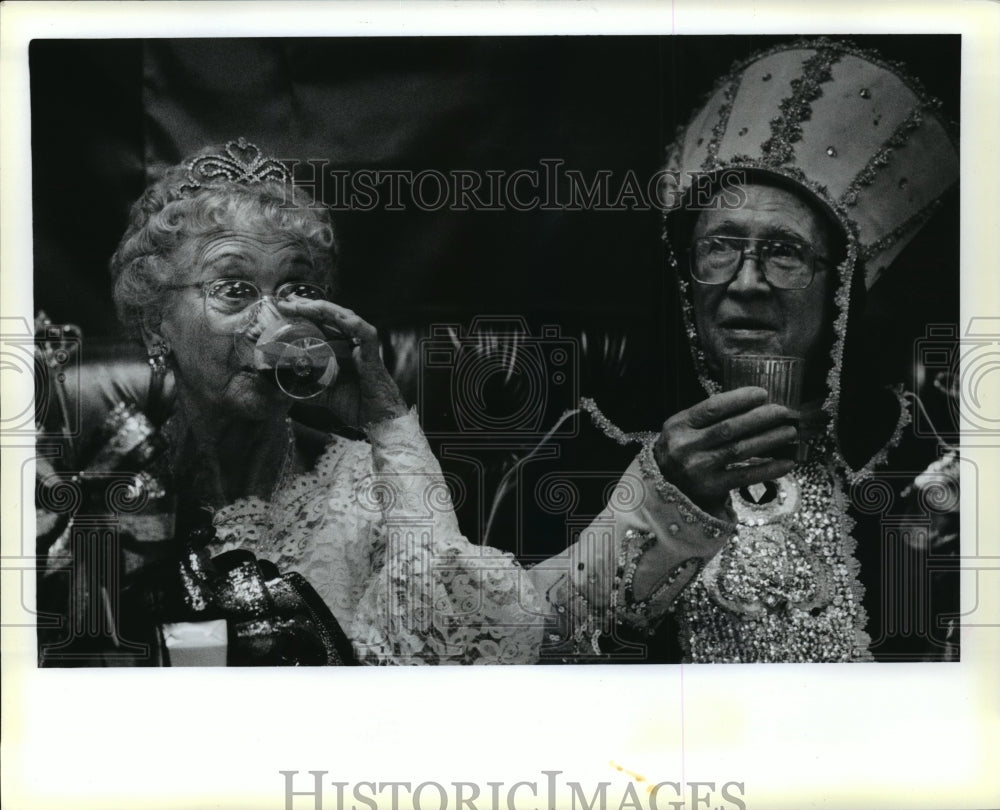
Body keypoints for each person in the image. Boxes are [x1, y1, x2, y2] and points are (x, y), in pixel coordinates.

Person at [36, 137, 695, 666]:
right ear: (156, 325)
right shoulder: (108, 480)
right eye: (233, 290)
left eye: (293, 292)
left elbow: (458, 651)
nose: (274, 322)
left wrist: (387, 419)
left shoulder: (367, 485)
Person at [540, 38, 961, 662]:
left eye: (784, 252)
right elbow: (517, 644)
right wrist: (666, 496)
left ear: (839, 286)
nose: (745, 281)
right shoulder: (595, 438)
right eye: (720, 247)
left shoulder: (917, 450)